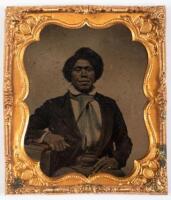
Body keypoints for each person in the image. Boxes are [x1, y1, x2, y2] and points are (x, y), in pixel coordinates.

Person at [25, 47, 132, 177]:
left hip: (102, 170)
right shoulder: (54, 106)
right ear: (70, 74)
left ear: (96, 73)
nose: (83, 74)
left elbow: (124, 140)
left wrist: (116, 160)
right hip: (66, 168)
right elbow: (23, 129)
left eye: (88, 69)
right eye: (78, 69)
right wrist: (47, 136)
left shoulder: (109, 105)